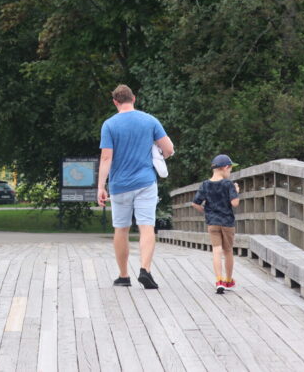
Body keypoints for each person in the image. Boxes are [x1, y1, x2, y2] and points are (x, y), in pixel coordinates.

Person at [97, 84, 175, 289]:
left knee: (121, 229)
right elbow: (168, 149)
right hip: (145, 182)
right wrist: (159, 156)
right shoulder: (150, 121)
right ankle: (145, 269)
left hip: (119, 185)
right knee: (146, 226)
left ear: (115, 102)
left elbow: (106, 158)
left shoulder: (109, 125)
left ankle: (123, 276)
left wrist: (101, 187)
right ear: (134, 99)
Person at [191, 154, 241, 293]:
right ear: (225, 167)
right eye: (230, 169)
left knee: (216, 250)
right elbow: (235, 203)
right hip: (227, 222)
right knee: (228, 251)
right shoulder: (228, 184)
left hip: (212, 222)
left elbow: (195, 203)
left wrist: (206, 212)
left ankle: (219, 280)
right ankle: (228, 281)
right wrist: (236, 192)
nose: (230, 172)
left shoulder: (205, 184)